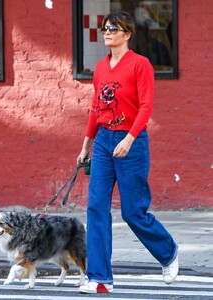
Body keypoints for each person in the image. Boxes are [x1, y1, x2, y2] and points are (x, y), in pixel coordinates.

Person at [77, 11, 179, 294]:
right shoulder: (100, 67)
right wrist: (86, 144)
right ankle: (99, 278)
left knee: (133, 212)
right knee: (96, 207)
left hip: (130, 141)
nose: (106, 32)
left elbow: (146, 107)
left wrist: (130, 138)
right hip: (102, 142)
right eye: (104, 28)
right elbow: (96, 108)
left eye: (112, 28)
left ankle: (168, 252)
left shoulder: (140, 64)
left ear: (127, 33)